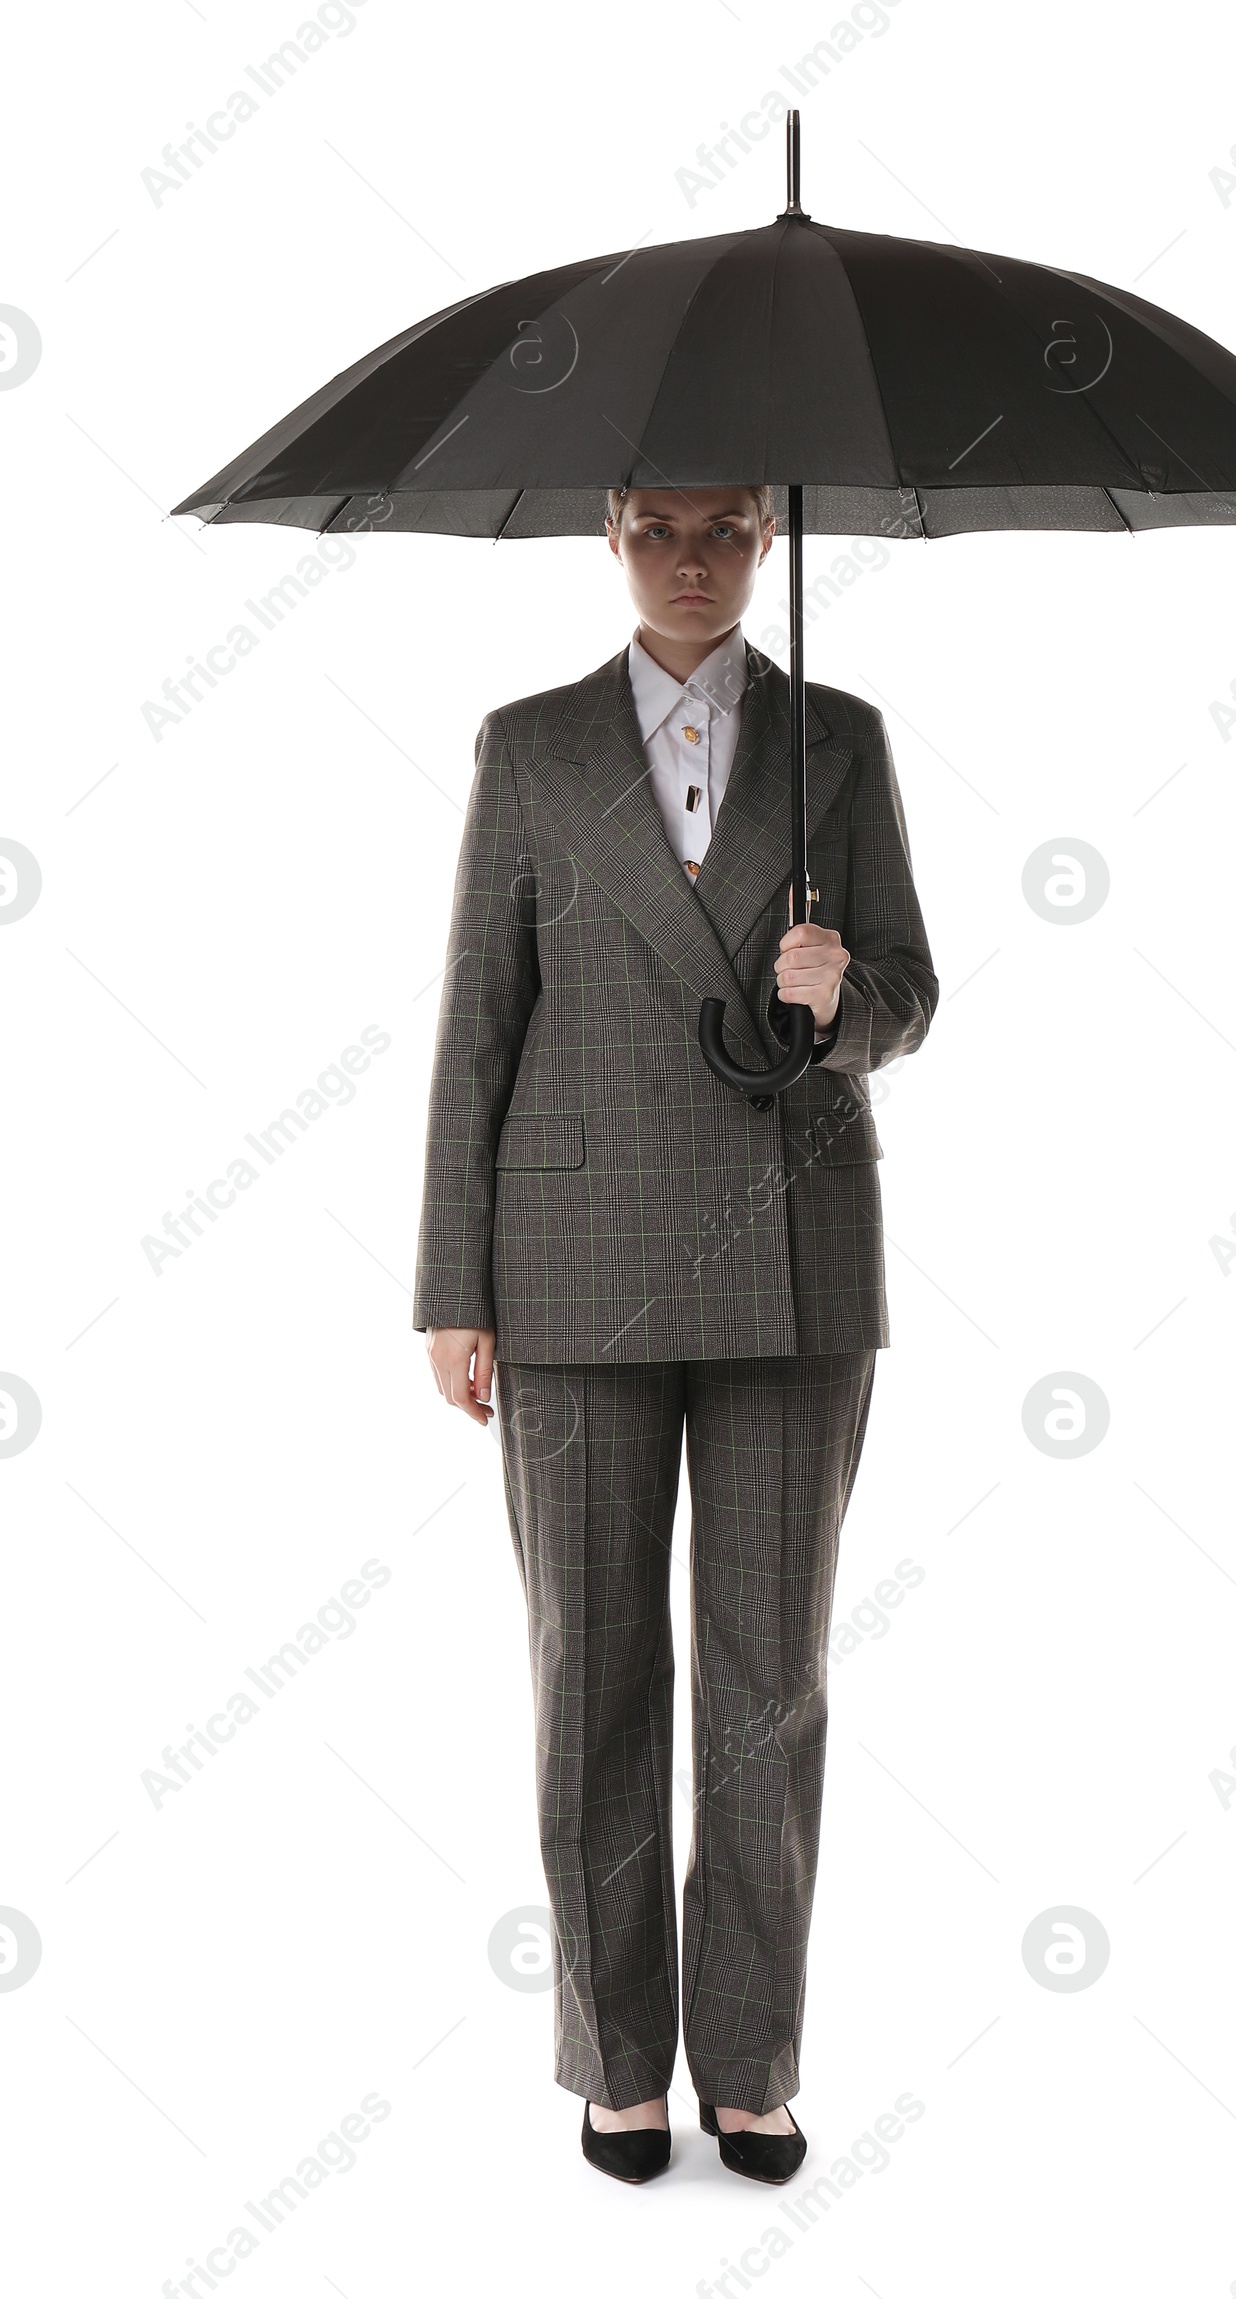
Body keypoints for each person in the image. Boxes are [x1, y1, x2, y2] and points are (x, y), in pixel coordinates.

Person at [412, 480, 937, 2184]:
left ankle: (754, 2060)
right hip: (568, 1255)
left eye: (728, 528)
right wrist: (452, 1282)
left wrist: (837, 992)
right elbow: (477, 1022)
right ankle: (619, 2059)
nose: (696, 560)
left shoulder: (839, 739)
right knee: (593, 1678)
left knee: (768, 1684)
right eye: (661, 530)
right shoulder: (531, 745)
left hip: (793, 1251)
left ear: (773, 537)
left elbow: (912, 998)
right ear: (612, 534)